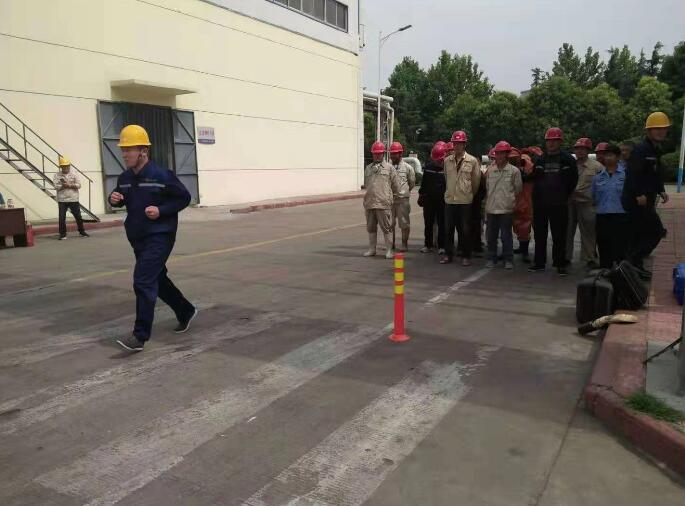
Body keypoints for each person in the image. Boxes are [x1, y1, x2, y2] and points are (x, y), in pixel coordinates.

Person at [109, 125, 196, 352]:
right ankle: (185, 310)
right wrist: (114, 199)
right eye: (123, 149)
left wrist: (161, 210)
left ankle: (139, 336)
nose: (125, 154)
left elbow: (184, 198)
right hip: (137, 237)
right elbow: (122, 198)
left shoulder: (162, 175)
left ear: (143, 151)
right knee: (158, 279)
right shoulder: (125, 178)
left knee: (143, 280)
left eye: (129, 149)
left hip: (160, 235)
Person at [622, 111, 671, 270]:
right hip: (637, 201)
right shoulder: (641, 149)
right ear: (648, 131)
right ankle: (632, 263)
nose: (661, 132)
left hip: (646, 200)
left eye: (663, 128)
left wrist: (661, 190)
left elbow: (654, 173)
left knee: (641, 234)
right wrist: (638, 194)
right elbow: (632, 174)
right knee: (655, 231)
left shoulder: (655, 149)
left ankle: (634, 266)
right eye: (657, 129)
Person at [528, 127, 578, 275]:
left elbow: (573, 180)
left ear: (560, 142)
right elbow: (534, 178)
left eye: (554, 140)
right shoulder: (540, 159)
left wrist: (564, 195)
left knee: (559, 235)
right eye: (549, 141)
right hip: (541, 204)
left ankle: (560, 263)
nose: (551, 143)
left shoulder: (568, 159)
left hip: (559, 203)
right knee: (540, 234)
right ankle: (539, 262)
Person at [441, 130, 480, 266]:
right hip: (450, 200)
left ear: (464, 144)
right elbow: (446, 178)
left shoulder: (472, 161)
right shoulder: (447, 161)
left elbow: (476, 182)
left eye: (460, 143)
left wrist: (468, 194)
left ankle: (466, 255)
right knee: (448, 229)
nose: (457, 146)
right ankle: (448, 254)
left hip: (465, 201)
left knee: (465, 230)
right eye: (455, 143)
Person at [484, 141, 522, 269]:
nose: (499, 156)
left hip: (506, 209)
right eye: (498, 153)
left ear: (507, 155)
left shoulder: (514, 171)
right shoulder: (490, 171)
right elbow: (487, 187)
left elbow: (518, 189)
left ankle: (508, 259)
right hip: (491, 208)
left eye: (502, 153)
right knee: (491, 237)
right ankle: (491, 258)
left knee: (506, 236)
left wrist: (508, 200)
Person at [566, 138, 603, 269]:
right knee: (567, 231)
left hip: (587, 203)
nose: (580, 151)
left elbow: (602, 185)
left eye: (583, 149)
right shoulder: (570, 164)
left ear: (588, 150)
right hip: (570, 203)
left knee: (589, 232)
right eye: (577, 149)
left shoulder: (597, 166)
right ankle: (566, 257)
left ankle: (589, 258)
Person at [593, 145, 629, 268]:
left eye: (611, 155)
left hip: (620, 215)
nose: (608, 158)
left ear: (618, 157)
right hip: (602, 215)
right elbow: (593, 196)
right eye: (606, 155)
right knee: (603, 244)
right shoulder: (598, 177)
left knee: (620, 245)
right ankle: (605, 269)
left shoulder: (625, 175)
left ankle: (621, 271)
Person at [363, 141, 400, 259]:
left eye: (379, 153)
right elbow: (367, 184)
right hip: (370, 203)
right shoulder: (368, 168)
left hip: (383, 203)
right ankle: (372, 249)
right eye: (375, 153)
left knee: (387, 228)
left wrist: (389, 198)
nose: (377, 156)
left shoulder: (389, 168)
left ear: (383, 153)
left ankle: (389, 250)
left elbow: (396, 186)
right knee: (371, 228)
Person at [418, 141, 447, 254]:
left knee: (442, 223)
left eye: (439, 160)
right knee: (428, 223)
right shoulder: (428, 167)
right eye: (436, 160)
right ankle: (428, 245)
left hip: (442, 200)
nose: (438, 162)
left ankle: (442, 246)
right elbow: (424, 183)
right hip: (429, 200)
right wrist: (421, 195)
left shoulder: (447, 168)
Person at [389, 141, 416, 252]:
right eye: (391, 153)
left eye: (395, 153)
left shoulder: (408, 168)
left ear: (400, 154)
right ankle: (391, 244)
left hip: (402, 200)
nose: (392, 156)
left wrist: (404, 191)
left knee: (404, 223)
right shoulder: (387, 167)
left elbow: (412, 182)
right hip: (390, 199)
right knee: (389, 223)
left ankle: (404, 244)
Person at [53, 156, 89, 240]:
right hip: (62, 199)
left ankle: (82, 231)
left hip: (73, 199)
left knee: (78, 216)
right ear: (61, 166)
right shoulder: (57, 175)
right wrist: (63, 186)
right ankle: (62, 234)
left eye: (67, 166)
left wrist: (70, 185)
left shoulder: (74, 174)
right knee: (62, 217)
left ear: (69, 166)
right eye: (63, 166)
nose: (65, 168)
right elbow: (56, 186)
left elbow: (79, 185)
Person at [513, 148, 535, 263]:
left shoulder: (525, 163)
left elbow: (529, 177)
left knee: (524, 226)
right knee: (519, 226)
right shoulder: (519, 164)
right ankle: (522, 248)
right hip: (518, 199)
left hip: (524, 199)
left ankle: (524, 251)